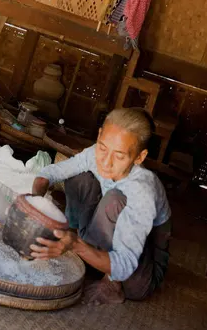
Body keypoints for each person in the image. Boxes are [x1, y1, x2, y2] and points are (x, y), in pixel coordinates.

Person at [30, 108, 171, 305]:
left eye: (119, 156)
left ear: (139, 157)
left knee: (115, 200)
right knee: (79, 178)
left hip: (140, 252)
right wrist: (33, 202)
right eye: (103, 147)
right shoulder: (96, 153)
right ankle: (85, 247)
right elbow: (50, 172)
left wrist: (76, 245)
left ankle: (110, 283)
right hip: (105, 231)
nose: (105, 161)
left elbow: (124, 264)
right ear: (99, 136)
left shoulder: (142, 190)